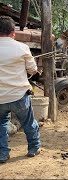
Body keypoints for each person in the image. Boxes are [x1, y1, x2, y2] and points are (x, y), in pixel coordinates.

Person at [0, 16, 41, 163]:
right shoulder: (22, 48)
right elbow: (33, 70)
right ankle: (33, 148)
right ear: (13, 32)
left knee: (1, 126)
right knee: (29, 122)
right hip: (19, 96)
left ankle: (2, 154)